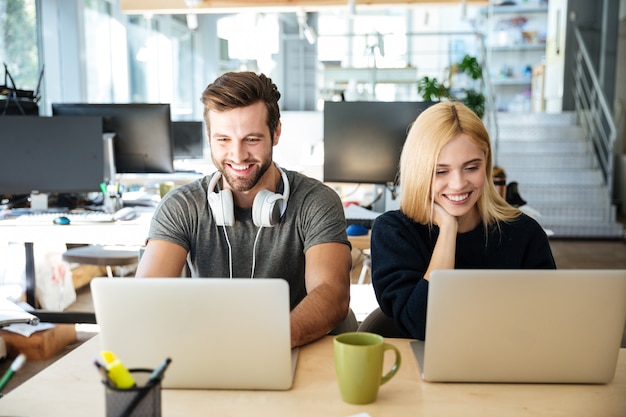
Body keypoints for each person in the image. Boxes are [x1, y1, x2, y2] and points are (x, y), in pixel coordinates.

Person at [135, 71, 352, 348]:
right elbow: (145, 298)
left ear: (276, 133)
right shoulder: (182, 206)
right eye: (223, 140)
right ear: (209, 136)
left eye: (251, 139)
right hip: (205, 349)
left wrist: (263, 342)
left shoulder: (316, 201)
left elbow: (332, 293)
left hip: (291, 348)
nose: (237, 156)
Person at [370, 101, 556, 340]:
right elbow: (422, 326)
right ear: (419, 171)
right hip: (419, 370)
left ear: (485, 164)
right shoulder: (394, 232)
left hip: (509, 363)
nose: (458, 184)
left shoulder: (524, 232)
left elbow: (547, 320)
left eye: (471, 167)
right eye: (441, 171)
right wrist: (448, 229)